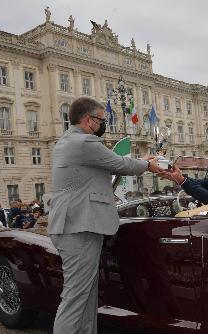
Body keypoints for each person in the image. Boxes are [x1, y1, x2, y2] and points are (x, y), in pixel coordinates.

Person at [48, 97, 163, 334]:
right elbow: (120, 164)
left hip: (76, 224)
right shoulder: (84, 142)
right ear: (89, 120)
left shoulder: (68, 140)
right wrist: (147, 163)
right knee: (75, 298)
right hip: (79, 226)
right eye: (102, 120)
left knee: (86, 296)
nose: (104, 124)